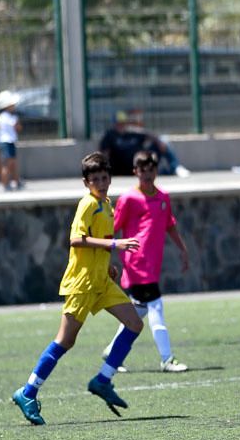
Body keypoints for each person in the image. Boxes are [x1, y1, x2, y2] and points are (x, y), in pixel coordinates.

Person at [11, 152, 144, 425]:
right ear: (86, 182)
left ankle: (103, 379)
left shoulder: (107, 204)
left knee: (134, 323)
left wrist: (107, 265)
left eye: (104, 178)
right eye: (95, 179)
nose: (101, 183)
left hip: (101, 281)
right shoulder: (88, 204)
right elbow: (75, 239)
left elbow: (99, 240)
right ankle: (28, 392)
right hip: (82, 283)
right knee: (65, 340)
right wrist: (114, 245)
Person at [102, 150, 190, 373]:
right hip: (136, 262)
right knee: (155, 306)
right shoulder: (129, 199)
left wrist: (182, 249)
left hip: (153, 264)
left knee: (138, 310)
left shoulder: (163, 197)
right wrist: (105, 256)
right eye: (142, 171)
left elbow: (169, 225)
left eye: (151, 170)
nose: (147, 175)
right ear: (135, 172)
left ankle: (113, 352)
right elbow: (113, 228)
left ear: (156, 171)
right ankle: (167, 358)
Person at [99, 110, 191, 178]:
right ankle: (165, 172)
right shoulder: (109, 136)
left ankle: (176, 167)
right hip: (125, 170)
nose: (121, 126)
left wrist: (159, 142)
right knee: (159, 173)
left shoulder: (132, 132)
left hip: (143, 165)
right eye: (118, 124)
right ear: (114, 124)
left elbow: (150, 135)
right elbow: (104, 155)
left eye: (123, 123)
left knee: (163, 139)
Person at [0, 90, 23, 191]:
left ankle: (17, 182)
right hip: (6, 143)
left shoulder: (6, 116)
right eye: (12, 104)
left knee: (13, 164)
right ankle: (4, 185)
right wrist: (17, 121)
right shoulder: (6, 117)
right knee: (8, 165)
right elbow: (18, 128)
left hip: (9, 142)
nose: (14, 106)